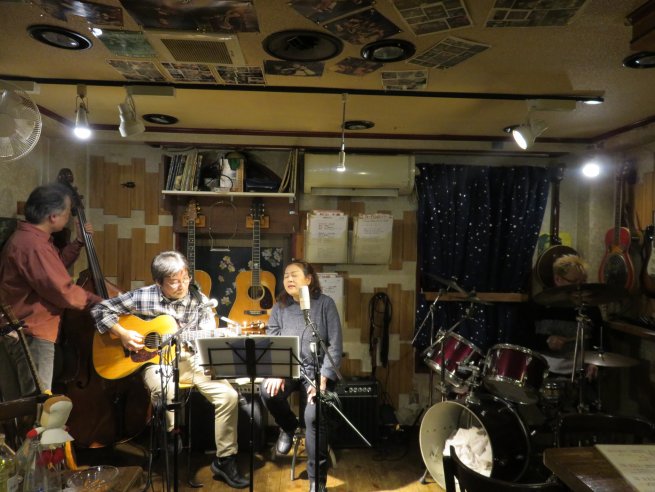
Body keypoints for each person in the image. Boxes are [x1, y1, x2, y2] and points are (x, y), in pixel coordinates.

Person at [90, 251, 248, 489]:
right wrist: (122, 334)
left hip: (190, 359)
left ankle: (225, 459)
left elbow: (205, 340)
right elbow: (99, 310)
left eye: (185, 278)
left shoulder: (200, 300)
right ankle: (171, 434)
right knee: (167, 391)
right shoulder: (143, 296)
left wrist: (215, 346)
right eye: (174, 281)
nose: (182, 285)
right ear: (158, 282)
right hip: (155, 362)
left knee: (228, 396)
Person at [0, 182, 101, 396]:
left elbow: (50, 269)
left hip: (18, 332)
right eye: (67, 212)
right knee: (36, 405)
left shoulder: (28, 239)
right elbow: (62, 291)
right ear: (53, 217)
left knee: (18, 407)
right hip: (31, 335)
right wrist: (102, 303)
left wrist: (78, 243)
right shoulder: (34, 245)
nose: (68, 217)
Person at [260, 260, 342, 492]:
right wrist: (277, 370)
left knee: (314, 417)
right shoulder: (280, 306)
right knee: (267, 391)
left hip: (317, 372)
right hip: (289, 369)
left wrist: (323, 379)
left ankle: (317, 481)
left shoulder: (325, 304)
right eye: (286, 275)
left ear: (308, 279)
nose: (289, 279)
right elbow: (272, 338)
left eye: (294, 275)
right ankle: (289, 427)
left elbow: (335, 345)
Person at [532, 254, 601, 408]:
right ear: (558, 279)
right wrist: (546, 341)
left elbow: (601, 343)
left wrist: (595, 364)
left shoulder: (591, 309)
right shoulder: (539, 305)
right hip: (545, 374)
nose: (580, 287)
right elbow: (521, 337)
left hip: (579, 376)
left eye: (583, 282)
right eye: (575, 282)